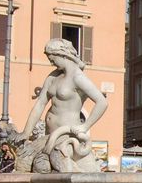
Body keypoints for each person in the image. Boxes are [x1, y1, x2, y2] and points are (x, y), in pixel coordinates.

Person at [18, 38, 108, 173]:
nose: (51, 61)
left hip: (67, 135)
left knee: (53, 159)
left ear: (63, 55)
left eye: (52, 58)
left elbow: (102, 102)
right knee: (23, 160)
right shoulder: (52, 77)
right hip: (49, 136)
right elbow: (40, 105)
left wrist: (85, 126)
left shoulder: (78, 77)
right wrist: (26, 131)